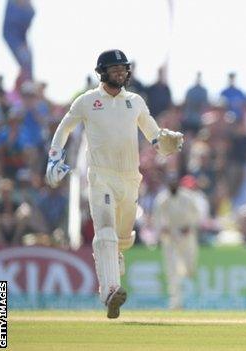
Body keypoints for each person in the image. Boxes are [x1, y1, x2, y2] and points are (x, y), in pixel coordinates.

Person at [45, 49, 184, 319]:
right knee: (105, 230)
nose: (121, 73)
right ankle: (110, 291)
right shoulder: (87, 101)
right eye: (115, 69)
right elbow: (64, 129)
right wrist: (54, 159)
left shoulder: (136, 101)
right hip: (101, 176)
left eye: (124, 69)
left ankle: (115, 255)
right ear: (102, 72)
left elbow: (155, 138)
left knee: (122, 238)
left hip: (130, 178)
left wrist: (167, 143)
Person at [152, 175, 202, 309]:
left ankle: (184, 274)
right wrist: (162, 229)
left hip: (186, 236)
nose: (172, 186)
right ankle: (176, 302)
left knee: (190, 268)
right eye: (170, 184)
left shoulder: (187, 197)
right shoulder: (162, 199)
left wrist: (190, 227)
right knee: (171, 270)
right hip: (171, 238)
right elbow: (156, 218)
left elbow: (197, 214)